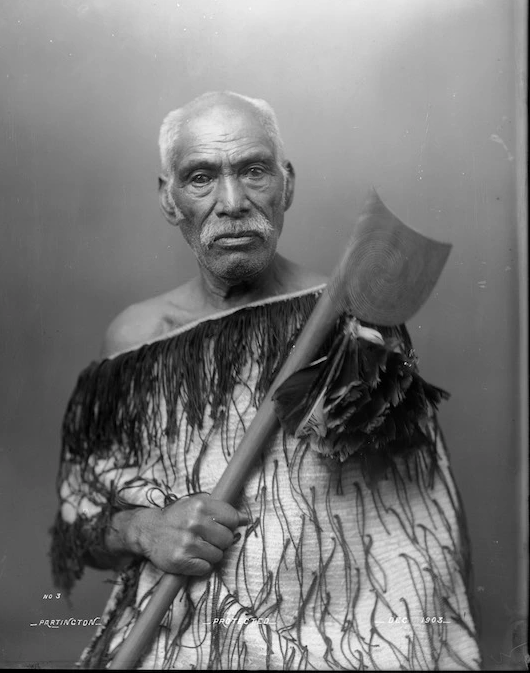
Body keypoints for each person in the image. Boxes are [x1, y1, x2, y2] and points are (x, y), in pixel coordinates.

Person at [50, 91, 482, 670]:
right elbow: (83, 520)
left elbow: (415, 541)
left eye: (253, 171)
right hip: (172, 642)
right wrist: (146, 528)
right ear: (168, 199)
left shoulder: (359, 326)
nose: (232, 202)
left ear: (288, 184)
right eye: (200, 178)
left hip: (345, 648)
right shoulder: (133, 343)